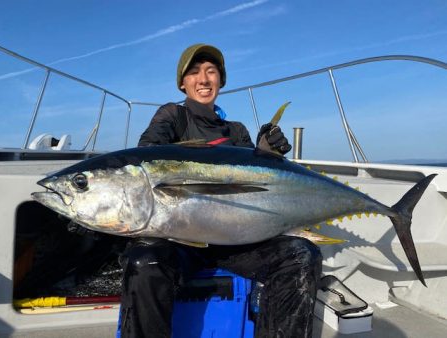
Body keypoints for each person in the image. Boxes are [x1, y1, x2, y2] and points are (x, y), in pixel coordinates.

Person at [120, 44, 322, 338]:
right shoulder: (173, 116)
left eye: (211, 72)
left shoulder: (236, 131)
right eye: (194, 72)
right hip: (180, 240)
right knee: (145, 261)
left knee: (301, 254)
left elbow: (253, 185)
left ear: (221, 81)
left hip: (233, 239)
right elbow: (147, 152)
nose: (203, 79)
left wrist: (267, 153)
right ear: (182, 83)